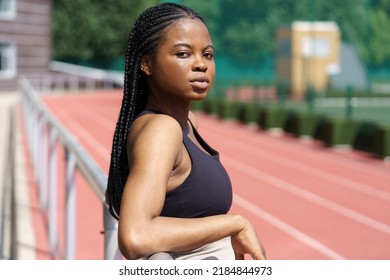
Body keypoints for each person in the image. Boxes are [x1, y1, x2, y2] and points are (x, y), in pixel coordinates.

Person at [105, 2, 266, 260]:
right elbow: (135, 235)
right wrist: (235, 224)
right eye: (183, 54)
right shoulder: (161, 129)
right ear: (146, 64)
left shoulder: (187, 123)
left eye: (208, 55)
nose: (200, 64)